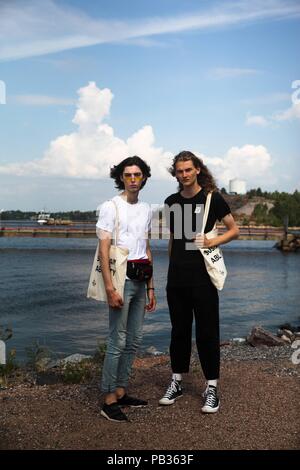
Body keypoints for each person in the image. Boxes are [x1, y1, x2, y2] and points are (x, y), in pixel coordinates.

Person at [159, 150, 239, 413]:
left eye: (188, 170)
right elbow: (173, 239)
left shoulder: (211, 199)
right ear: (176, 173)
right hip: (177, 278)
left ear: (197, 170)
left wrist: (213, 241)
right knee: (178, 331)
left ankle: (212, 387)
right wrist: (172, 268)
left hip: (203, 278)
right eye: (179, 171)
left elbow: (233, 229)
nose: (184, 175)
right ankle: (177, 381)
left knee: (207, 332)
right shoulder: (171, 201)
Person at [97, 156, 156, 422]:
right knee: (117, 340)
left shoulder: (146, 208)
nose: (133, 179)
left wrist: (152, 287)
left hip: (141, 279)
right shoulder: (111, 207)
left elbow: (146, 248)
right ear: (120, 177)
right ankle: (108, 399)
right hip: (120, 280)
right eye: (128, 174)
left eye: (137, 174)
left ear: (144, 177)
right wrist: (110, 288)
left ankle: (121, 390)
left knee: (133, 341)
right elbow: (104, 249)